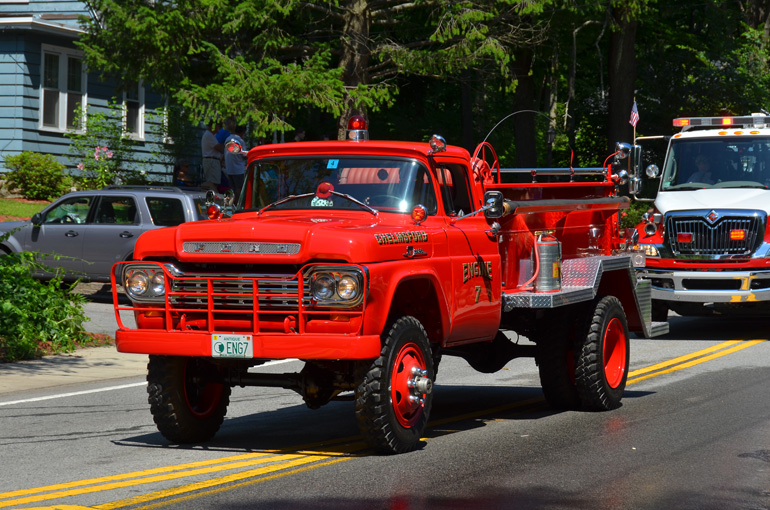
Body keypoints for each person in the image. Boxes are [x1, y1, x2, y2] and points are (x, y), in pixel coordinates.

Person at [224, 125, 248, 202]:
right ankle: (238, 204)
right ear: (243, 132)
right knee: (239, 188)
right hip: (238, 169)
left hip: (229, 168)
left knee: (233, 188)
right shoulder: (240, 141)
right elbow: (244, 155)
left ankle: (232, 204)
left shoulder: (228, 139)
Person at [201, 123, 223, 191]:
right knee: (212, 183)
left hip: (213, 161)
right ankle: (200, 187)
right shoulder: (208, 135)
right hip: (211, 161)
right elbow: (219, 148)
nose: (219, 128)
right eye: (218, 126)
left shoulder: (211, 135)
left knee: (214, 182)